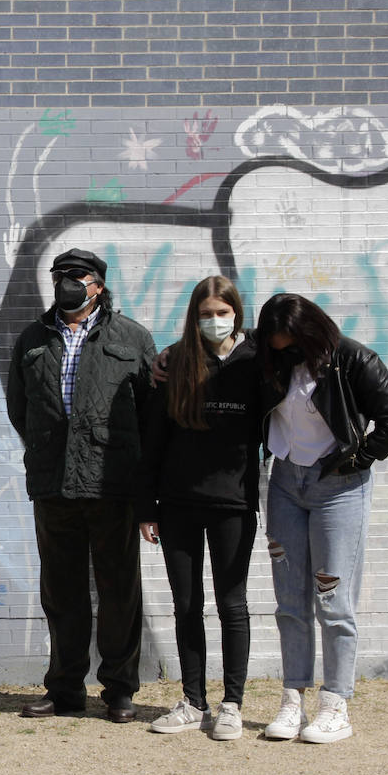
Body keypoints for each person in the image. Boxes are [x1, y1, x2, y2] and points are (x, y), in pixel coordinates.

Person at [5, 248, 156, 723]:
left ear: (98, 285)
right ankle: (65, 689)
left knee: (118, 592)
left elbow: (150, 412)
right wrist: (47, 450)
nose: (67, 282)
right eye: (60, 276)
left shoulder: (131, 336)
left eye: (77, 276)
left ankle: (119, 690)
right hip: (53, 485)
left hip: (112, 485)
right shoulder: (33, 338)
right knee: (62, 593)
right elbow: (20, 409)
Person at [254, 293, 388, 743]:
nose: (284, 352)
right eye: (277, 345)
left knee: (332, 601)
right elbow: (220, 365)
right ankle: (292, 699)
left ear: (309, 331)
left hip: (338, 487)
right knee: (290, 602)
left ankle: (335, 705)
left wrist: (356, 461)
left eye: (290, 343)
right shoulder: (271, 360)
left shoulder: (354, 358)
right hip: (284, 483)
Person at [138, 276, 262, 740]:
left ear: (237, 313)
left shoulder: (257, 361)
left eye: (222, 312)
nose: (215, 321)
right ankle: (193, 701)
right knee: (186, 605)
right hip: (177, 504)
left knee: (233, 604)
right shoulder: (175, 361)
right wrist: (145, 506)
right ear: (194, 315)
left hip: (234, 503)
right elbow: (154, 440)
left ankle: (232, 704)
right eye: (206, 313)